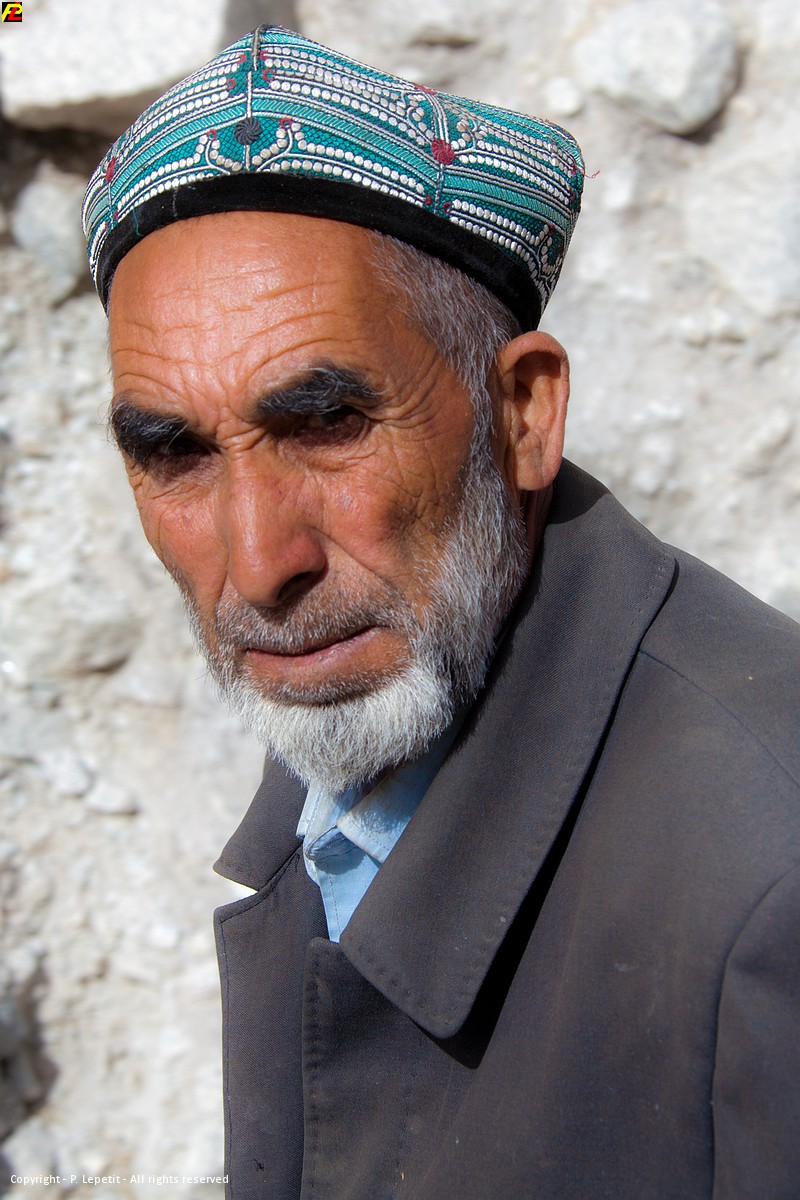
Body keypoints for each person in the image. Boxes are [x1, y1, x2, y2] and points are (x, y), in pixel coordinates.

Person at [83, 24, 800, 1200]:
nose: (258, 564)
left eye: (327, 424)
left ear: (522, 411)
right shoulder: (367, 710)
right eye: (175, 453)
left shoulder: (767, 878)